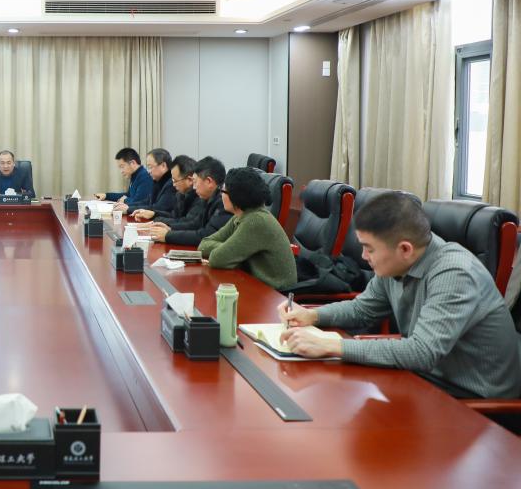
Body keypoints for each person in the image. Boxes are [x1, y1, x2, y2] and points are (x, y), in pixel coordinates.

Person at [278, 192, 521, 399]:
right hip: (426, 379)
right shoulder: (396, 263)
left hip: (473, 401)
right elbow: (362, 309)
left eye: (369, 249)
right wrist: (312, 315)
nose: (363, 256)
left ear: (405, 249)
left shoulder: (455, 273)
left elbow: (421, 352)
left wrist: (333, 345)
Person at [197, 167, 296, 290]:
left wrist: (230, 250)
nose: (221, 195)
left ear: (235, 196)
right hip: (255, 284)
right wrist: (230, 248)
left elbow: (217, 259)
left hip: (276, 293)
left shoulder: (255, 221)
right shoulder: (240, 216)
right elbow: (203, 245)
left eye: (223, 191)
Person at [148, 156, 231, 246]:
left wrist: (168, 235)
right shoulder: (209, 199)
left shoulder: (224, 202)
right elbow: (195, 224)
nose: (194, 187)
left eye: (195, 182)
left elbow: (206, 236)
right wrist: (170, 228)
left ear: (208, 181)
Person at [134, 155, 197, 222]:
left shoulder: (199, 197)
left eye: (175, 181)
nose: (173, 184)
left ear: (190, 180)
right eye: (173, 180)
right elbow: (173, 216)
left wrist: (157, 221)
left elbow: (187, 223)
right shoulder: (180, 194)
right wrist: (154, 214)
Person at [124, 148, 173, 215]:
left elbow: (158, 208)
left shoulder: (172, 184)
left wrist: (129, 209)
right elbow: (147, 202)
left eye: (150, 167)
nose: (149, 171)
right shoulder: (157, 181)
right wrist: (127, 206)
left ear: (163, 165)